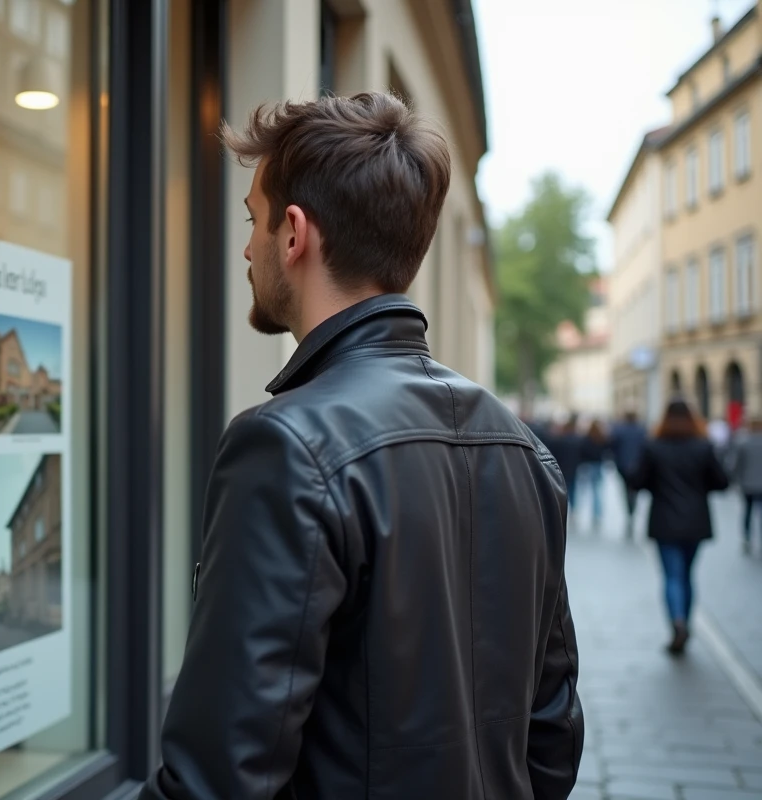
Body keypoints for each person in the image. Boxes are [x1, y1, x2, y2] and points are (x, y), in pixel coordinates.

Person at [141, 92, 582, 800]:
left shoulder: (285, 446)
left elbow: (219, 776)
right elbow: (553, 733)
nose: (246, 248)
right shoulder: (524, 451)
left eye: (252, 221)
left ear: (293, 233)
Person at [628, 399, 729, 654]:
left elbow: (638, 481)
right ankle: (686, 622)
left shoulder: (653, 446)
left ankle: (677, 622)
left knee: (672, 575)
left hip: (664, 520)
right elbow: (722, 482)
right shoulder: (703, 447)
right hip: (695, 521)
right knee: (687, 574)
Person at [610, 410, 648, 536]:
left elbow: (613, 447)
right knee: (634, 490)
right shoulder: (641, 430)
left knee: (626, 489)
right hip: (637, 465)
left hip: (623, 465)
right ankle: (632, 509)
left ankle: (629, 510)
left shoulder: (620, 430)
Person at [731, 416, 762, 553]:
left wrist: (736, 480)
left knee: (747, 512)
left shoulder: (743, 443)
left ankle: (747, 538)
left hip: (747, 484)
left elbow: (736, 465)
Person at [577, 420, 609, 529]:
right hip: (597, 465)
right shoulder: (601, 438)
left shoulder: (586, 438)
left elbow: (581, 451)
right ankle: (597, 514)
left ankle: (578, 511)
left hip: (587, 465)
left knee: (583, 490)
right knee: (596, 491)